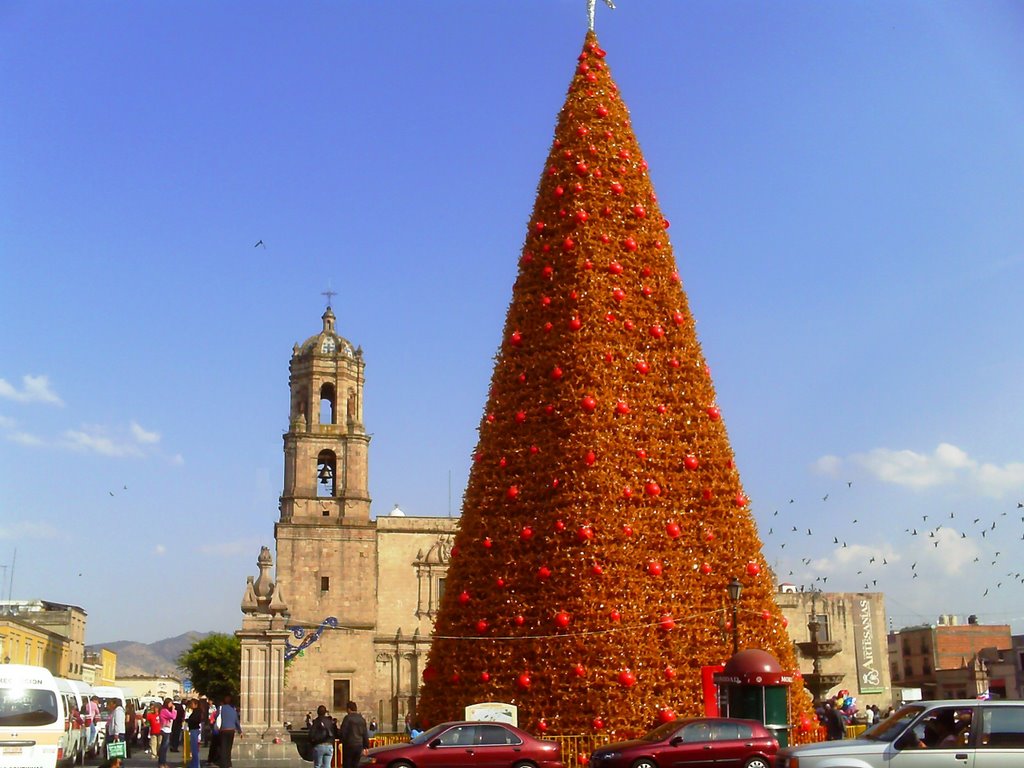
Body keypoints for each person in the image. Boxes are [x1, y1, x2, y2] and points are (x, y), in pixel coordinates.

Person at [338, 701, 369, 768]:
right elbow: (365, 733)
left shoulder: (348, 718)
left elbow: (343, 732)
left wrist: (341, 741)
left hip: (349, 745)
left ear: (349, 709)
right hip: (359, 745)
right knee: (356, 764)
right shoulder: (362, 719)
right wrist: (366, 746)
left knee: (348, 764)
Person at [216, 694, 241, 768]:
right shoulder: (233, 709)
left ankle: (223, 764)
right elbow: (236, 720)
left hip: (223, 730)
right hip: (231, 730)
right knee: (229, 747)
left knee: (223, 747)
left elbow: (217, 717)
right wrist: (240, 730)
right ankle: (228, 763)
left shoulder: (221, 708)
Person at [158, 698, 176, 768]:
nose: (171, 705)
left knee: (164, 748)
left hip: (167, 729)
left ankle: (163, 762)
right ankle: (162, 763)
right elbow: (173, 717)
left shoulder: (165, 710)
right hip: (165, 730)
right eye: (170, 703)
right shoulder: (164, 710)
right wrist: (174, 710)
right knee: (164, 747)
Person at [186, 699, 203, 768]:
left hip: (194, 730)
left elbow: (195, 720)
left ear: (196, 705)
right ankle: (193, 764)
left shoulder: (197, 712)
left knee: (194, 749)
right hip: (194, 729)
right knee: (193, 748)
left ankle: (196, 765)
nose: (190, 705)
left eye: (192, 704)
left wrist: (188, 720)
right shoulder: (195, 711)